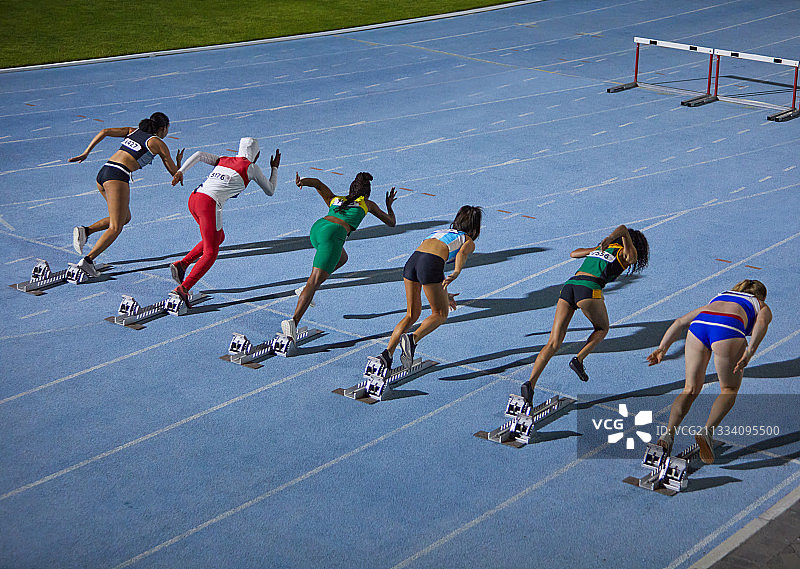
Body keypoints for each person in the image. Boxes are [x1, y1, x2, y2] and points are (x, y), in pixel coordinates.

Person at [520, 224, 649, 405]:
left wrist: (597, 249)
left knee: (553, 342)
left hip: (569, 286)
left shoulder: (601, 250)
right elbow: (623, 229)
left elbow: (574, 253)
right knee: (602, 328)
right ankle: (579, 359)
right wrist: (613, 237)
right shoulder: (628, 255)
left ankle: (530, 384)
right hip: (589, 288)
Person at [646, 280, 772, 464]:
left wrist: (662, 348)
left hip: (699, 327)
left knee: (689, 388)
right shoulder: (761, 305)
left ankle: (667, 435)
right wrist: (749, 353)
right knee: (728, 388)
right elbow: (761, 323)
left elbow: (680, 322)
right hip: (728, 330)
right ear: (761, 295)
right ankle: (707, 432)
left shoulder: (720, 297)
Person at [282, 172, 396, 339]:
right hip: (332, 235)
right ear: (367, 192)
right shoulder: (367, 204)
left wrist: (302, 181)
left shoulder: (336, 199)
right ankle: (293, 322)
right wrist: (389, 205)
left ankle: (305, 290)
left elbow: (318, 183)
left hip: (317, 229)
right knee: (313, 280)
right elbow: (391, 223)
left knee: (342, 258)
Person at [168, 138, 280, 306]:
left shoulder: (223, 159)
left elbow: (199, 155)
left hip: (194, 198)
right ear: (256, 154)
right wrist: (274, 167)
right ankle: (183, 289)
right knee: (211, 252)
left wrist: (181, 171)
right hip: (209, 204)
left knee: (218, 237)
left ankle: (182, 265)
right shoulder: (252, 168)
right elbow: (270, 191)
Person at [69, 112, 183, 276]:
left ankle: (85, 231)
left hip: (103, 173)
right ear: (163, 128)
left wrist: (86, 152)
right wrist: (179, 165)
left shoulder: (133, 131)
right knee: (116, 227)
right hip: (117, 176)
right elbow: (175, 175)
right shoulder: (157, 142)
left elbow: (105, 131)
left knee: (124, 218)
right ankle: (87, 262)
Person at [376, 206, 482, 373]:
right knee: (440, 314)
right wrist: (456, 272)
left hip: (412, 262)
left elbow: (428, 260)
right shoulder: (468, 240)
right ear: (475, 228)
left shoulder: (438, 232)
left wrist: (444, 294)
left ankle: (386, 354)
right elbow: (460, 254)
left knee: (411, 314)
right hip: (430, 264)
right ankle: (412, 339)